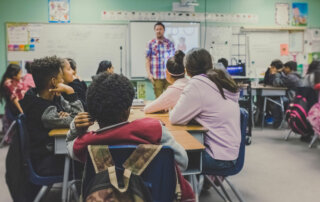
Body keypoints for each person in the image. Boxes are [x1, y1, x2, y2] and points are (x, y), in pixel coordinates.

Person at [66, 72, 194, 201]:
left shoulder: (85, 143)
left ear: (92, 113)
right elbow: (182, 162)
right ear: (127, 109)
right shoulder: (153, 129)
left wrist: (75, 127)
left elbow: (69, 146)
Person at [170, 48, 241, 172]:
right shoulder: (218, 80)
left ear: (186, 69)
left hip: (217, 158)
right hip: (231, 154)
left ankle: (185, 190)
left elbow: (175, 118)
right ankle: (202, 184)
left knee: (166, 156)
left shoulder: (197, 84)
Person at [20, 56, 84, 178]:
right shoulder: (44, 111)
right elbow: (80, 119)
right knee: (87, 158)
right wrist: (70, 90)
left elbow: (73, 115)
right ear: (54, 82)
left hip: (53, 152)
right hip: (45, 161)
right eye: (61, 78)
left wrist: (68, 116)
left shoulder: (54, 97)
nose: (64, 82)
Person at [146, 22, 175, 98]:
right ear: (154, 31)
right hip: (156, 76)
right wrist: (149, 74)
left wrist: (173, 73)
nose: (158, 31)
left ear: (164, 30)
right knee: (158, 99)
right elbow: (147, 59)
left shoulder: (170, 43)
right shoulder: (150, 43)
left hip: (168, 76)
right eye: (157, 29)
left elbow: (173, 60)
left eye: (160, 29)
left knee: (170, 97)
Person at [0, 64, 27, 143]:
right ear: (13, 75)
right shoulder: (8, 83)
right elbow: (15, 99)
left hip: (17, 107)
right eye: (19, 73)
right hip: (14, 109)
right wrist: (22, 111)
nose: (21, 75)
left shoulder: (15, 80)